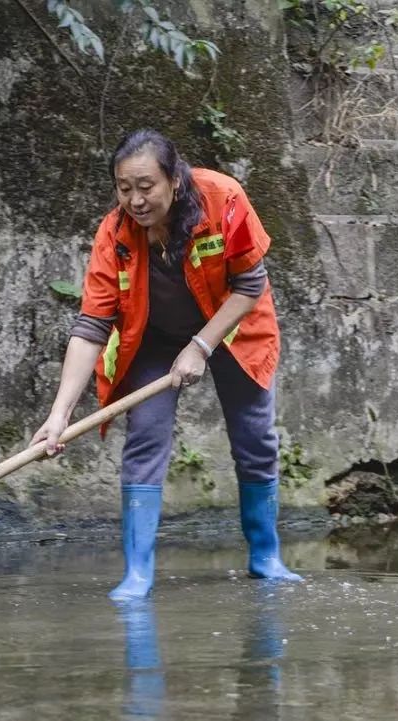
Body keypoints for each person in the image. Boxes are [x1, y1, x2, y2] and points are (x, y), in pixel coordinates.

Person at [30, 129, 301, 600]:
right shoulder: (113, 234)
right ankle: (138, 574)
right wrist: (59, 416)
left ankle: (266, 557)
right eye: (123, 188)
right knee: (145, 437)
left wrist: (200, 345)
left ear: (174, 179)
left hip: (235, 326)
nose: (135, 199)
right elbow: (92, 324)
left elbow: (250, 285)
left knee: (255, 438)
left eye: (145, 186)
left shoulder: (223, 198)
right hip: (153, 338)